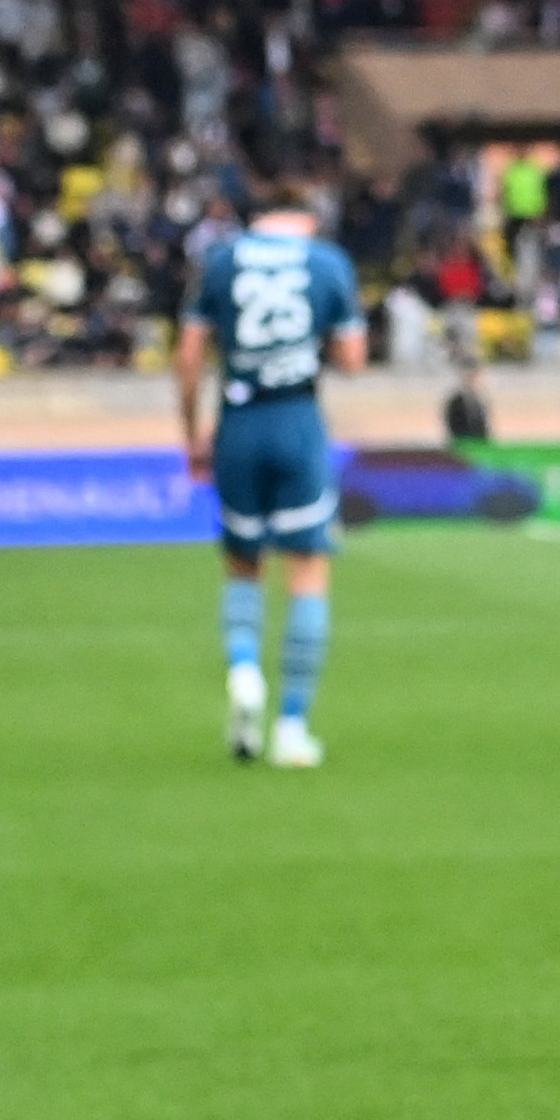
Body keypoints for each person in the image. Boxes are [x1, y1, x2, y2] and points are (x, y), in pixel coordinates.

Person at [175, 175, 364, 768]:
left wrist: (193, 433)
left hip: (238, 421)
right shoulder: (327, 262)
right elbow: (352, 359)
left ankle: (244, 670)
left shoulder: (220, 260)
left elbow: (189, 355)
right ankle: (291, 725)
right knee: (307, 569)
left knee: (242, 566)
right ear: (308, 217)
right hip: (297, 419)